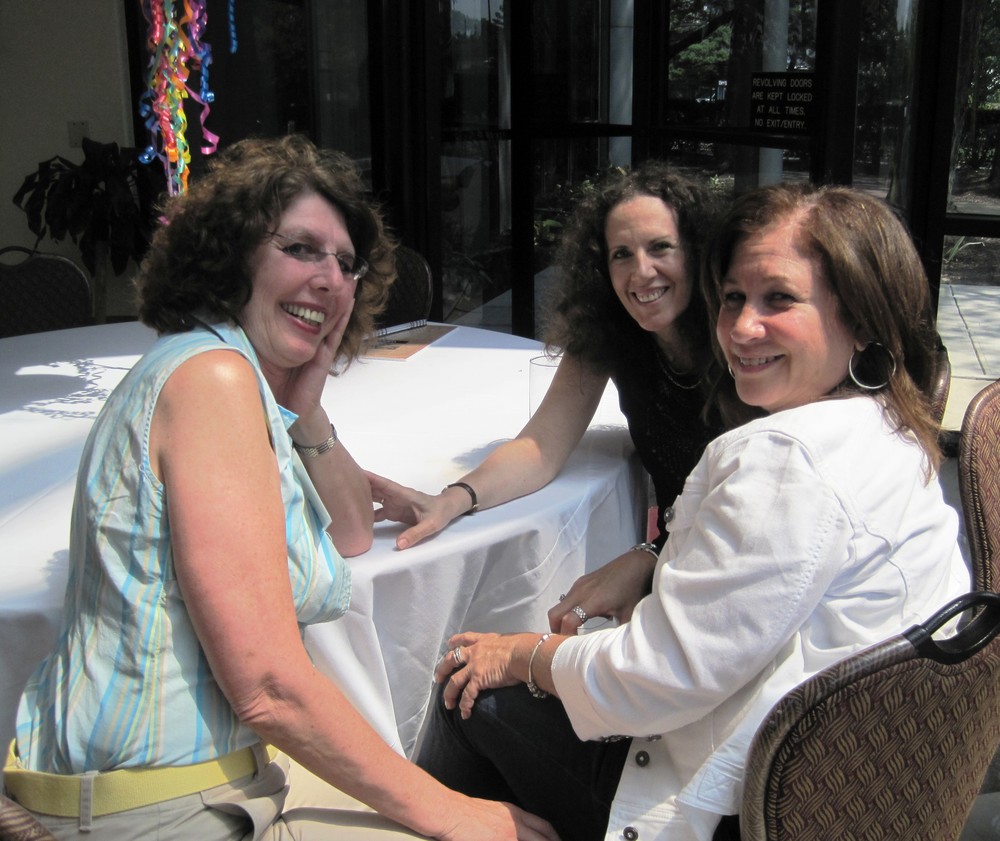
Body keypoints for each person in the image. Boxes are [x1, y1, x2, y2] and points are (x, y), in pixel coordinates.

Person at [3, 136, 556, 841]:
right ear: (231, 254)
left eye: (345, 263)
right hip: (153, 803)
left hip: (198, 776)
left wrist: (307, 403)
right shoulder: (212, 382)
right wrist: (455, 812)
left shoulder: (231, 376)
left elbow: (351, 533)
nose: (331, 279)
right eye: (300, 249)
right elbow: (268, 689)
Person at [413, 182, 972, 841]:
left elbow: (656, 677)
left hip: (744, 801)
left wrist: (524, 653)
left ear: (862, 316)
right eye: (734, 298)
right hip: (846, 772)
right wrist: (456, 498)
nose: (742, 327)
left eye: (779, 299)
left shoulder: (786, 457)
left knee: (465, 687)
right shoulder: (883, 423)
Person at [370, 162, 736, 633]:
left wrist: (649, 557)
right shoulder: (613, 330)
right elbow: (541, 446)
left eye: (660, 247)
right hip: (674, 559)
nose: (641, 272)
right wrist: (452, 499)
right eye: (621, 254)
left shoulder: (741, 344)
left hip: (733, 567)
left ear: (697, 251)